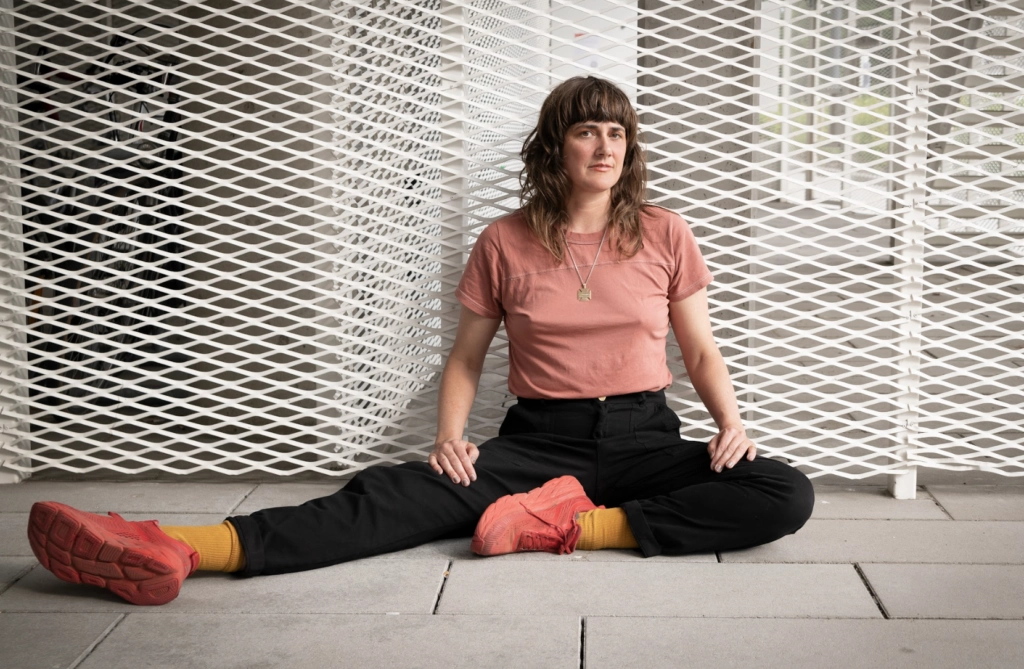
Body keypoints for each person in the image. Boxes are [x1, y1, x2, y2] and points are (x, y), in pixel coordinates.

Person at [26, 76, 814, 606]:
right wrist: (449, 438)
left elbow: (700, 349)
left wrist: (730, 423)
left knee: (784, 491)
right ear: (555, 148)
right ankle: (181, 547)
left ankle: (573, 523)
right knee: (392, 495)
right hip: (540, 443)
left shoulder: (665, 232)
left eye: (617, 133)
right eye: (586, 133)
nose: (604, 146)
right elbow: (467, 357)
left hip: (647, 436)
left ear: (630, 149)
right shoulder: (503, 241)